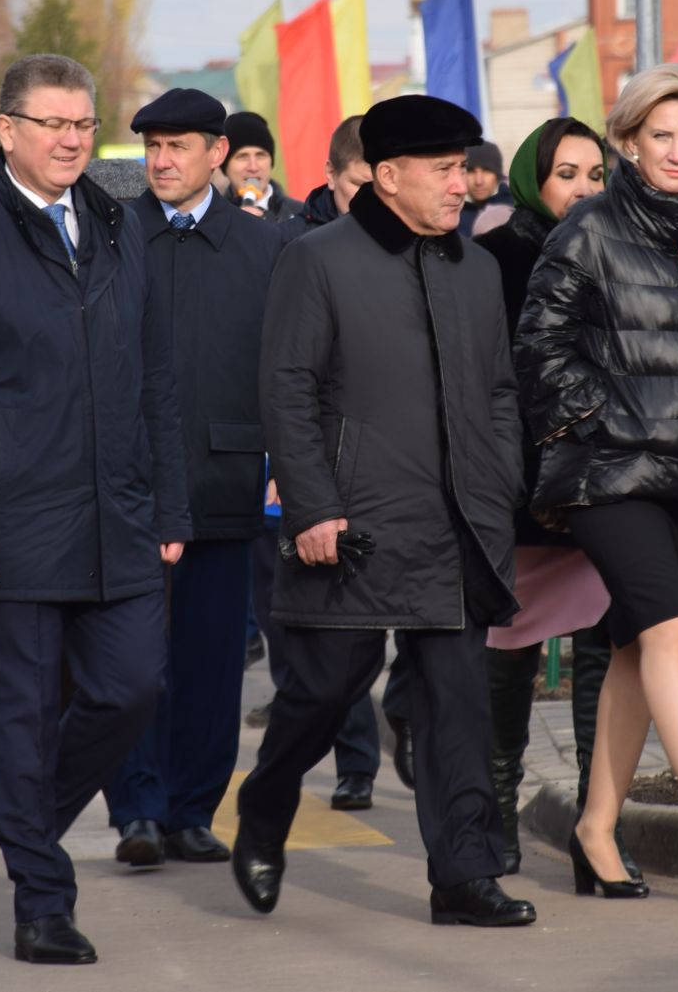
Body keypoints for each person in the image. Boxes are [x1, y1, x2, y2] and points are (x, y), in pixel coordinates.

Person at [0, 54, 191, 966]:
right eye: (53, 123)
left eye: (83, 124)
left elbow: (156, 376)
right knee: (20, 716)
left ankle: (29, 823)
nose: (72, 139)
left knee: (132, 686)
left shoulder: (118, 224)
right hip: (9, 524)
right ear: (7, 131)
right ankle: (42, 899)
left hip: (121, 516)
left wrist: (170, 505)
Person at [236, 92, 535, 929]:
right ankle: (265, 805)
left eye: (463, 169)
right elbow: (285, 389)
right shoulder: (318, 259)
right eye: (443, 171)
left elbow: (500, 389)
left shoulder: (474, 266)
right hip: (354, 528)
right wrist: (312, 507)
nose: (461, 185)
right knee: (326, 694)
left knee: (457, 703)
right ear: (389, 174)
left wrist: (498, 478)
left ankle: (463, 874)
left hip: (458, 527)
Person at [516, 63, 678, 908]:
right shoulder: (586, 229)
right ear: (629, 141)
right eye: (659, 134)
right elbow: (538, 347)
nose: (675, 150)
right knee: (671, 634)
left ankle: (595, 825)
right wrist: (601, 416)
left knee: (634, 644)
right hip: (610, 472)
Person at [104, 87, 282, 867]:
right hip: (129, 486)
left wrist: (283, 464)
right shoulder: (113, 238)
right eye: (152, 147)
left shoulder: (264, 246)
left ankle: (190, 809)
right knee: (135, 664)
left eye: (179, 146)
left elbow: (286, 367)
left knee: (211, 662)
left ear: (218, 153)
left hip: (224, 476)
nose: (162, 160)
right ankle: (136, 808)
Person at [471, 118, 611, 875]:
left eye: (596, 174)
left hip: (608, 486)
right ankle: (495, 820)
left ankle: (597, 829)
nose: (584, 189)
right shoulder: (489, 260)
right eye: (567, 174)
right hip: (517, 487)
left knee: (603, 654)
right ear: (533, 179)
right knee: (508, 652)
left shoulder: (625, 251)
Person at [256, 114, 392, 807]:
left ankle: (358, 765)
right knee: (315, 651)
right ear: (332, 179)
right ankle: (278, 781)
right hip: (305, 474)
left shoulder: (419, 248)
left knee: (377, 645)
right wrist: (287, 468)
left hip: (387, 479)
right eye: (357, 187)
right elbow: (282, 376)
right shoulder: (295, 248)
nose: (372, 205)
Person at [222, 112, 301, 223]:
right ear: (225, 166)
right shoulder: (212, 219)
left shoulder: (302, 215)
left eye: (260, 156)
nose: (253, 167)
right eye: (242, 157)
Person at [459, 143, 514, 237]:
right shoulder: (453, 217)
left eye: (486, 171)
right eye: (471, 171)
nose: (478, 181)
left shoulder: (515, 211)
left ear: (497, 175)